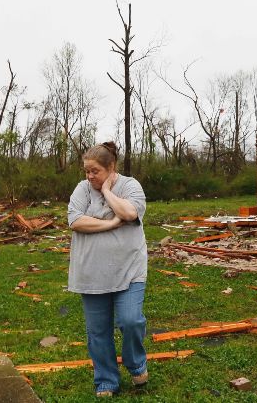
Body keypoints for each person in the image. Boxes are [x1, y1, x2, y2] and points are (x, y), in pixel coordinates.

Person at [67, 141, 148, 397]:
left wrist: (107, 191)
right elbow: (76, 221)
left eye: (95, 171)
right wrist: (111, 224)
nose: (89, 176)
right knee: (98, 331)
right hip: (91, 273)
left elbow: (130, 213)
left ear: (111, 167)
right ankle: (106, 379)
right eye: (87, 171)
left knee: (130, 320)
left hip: (129, 269)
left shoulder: (130, 185)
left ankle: (135, 364)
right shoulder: (81, 189)